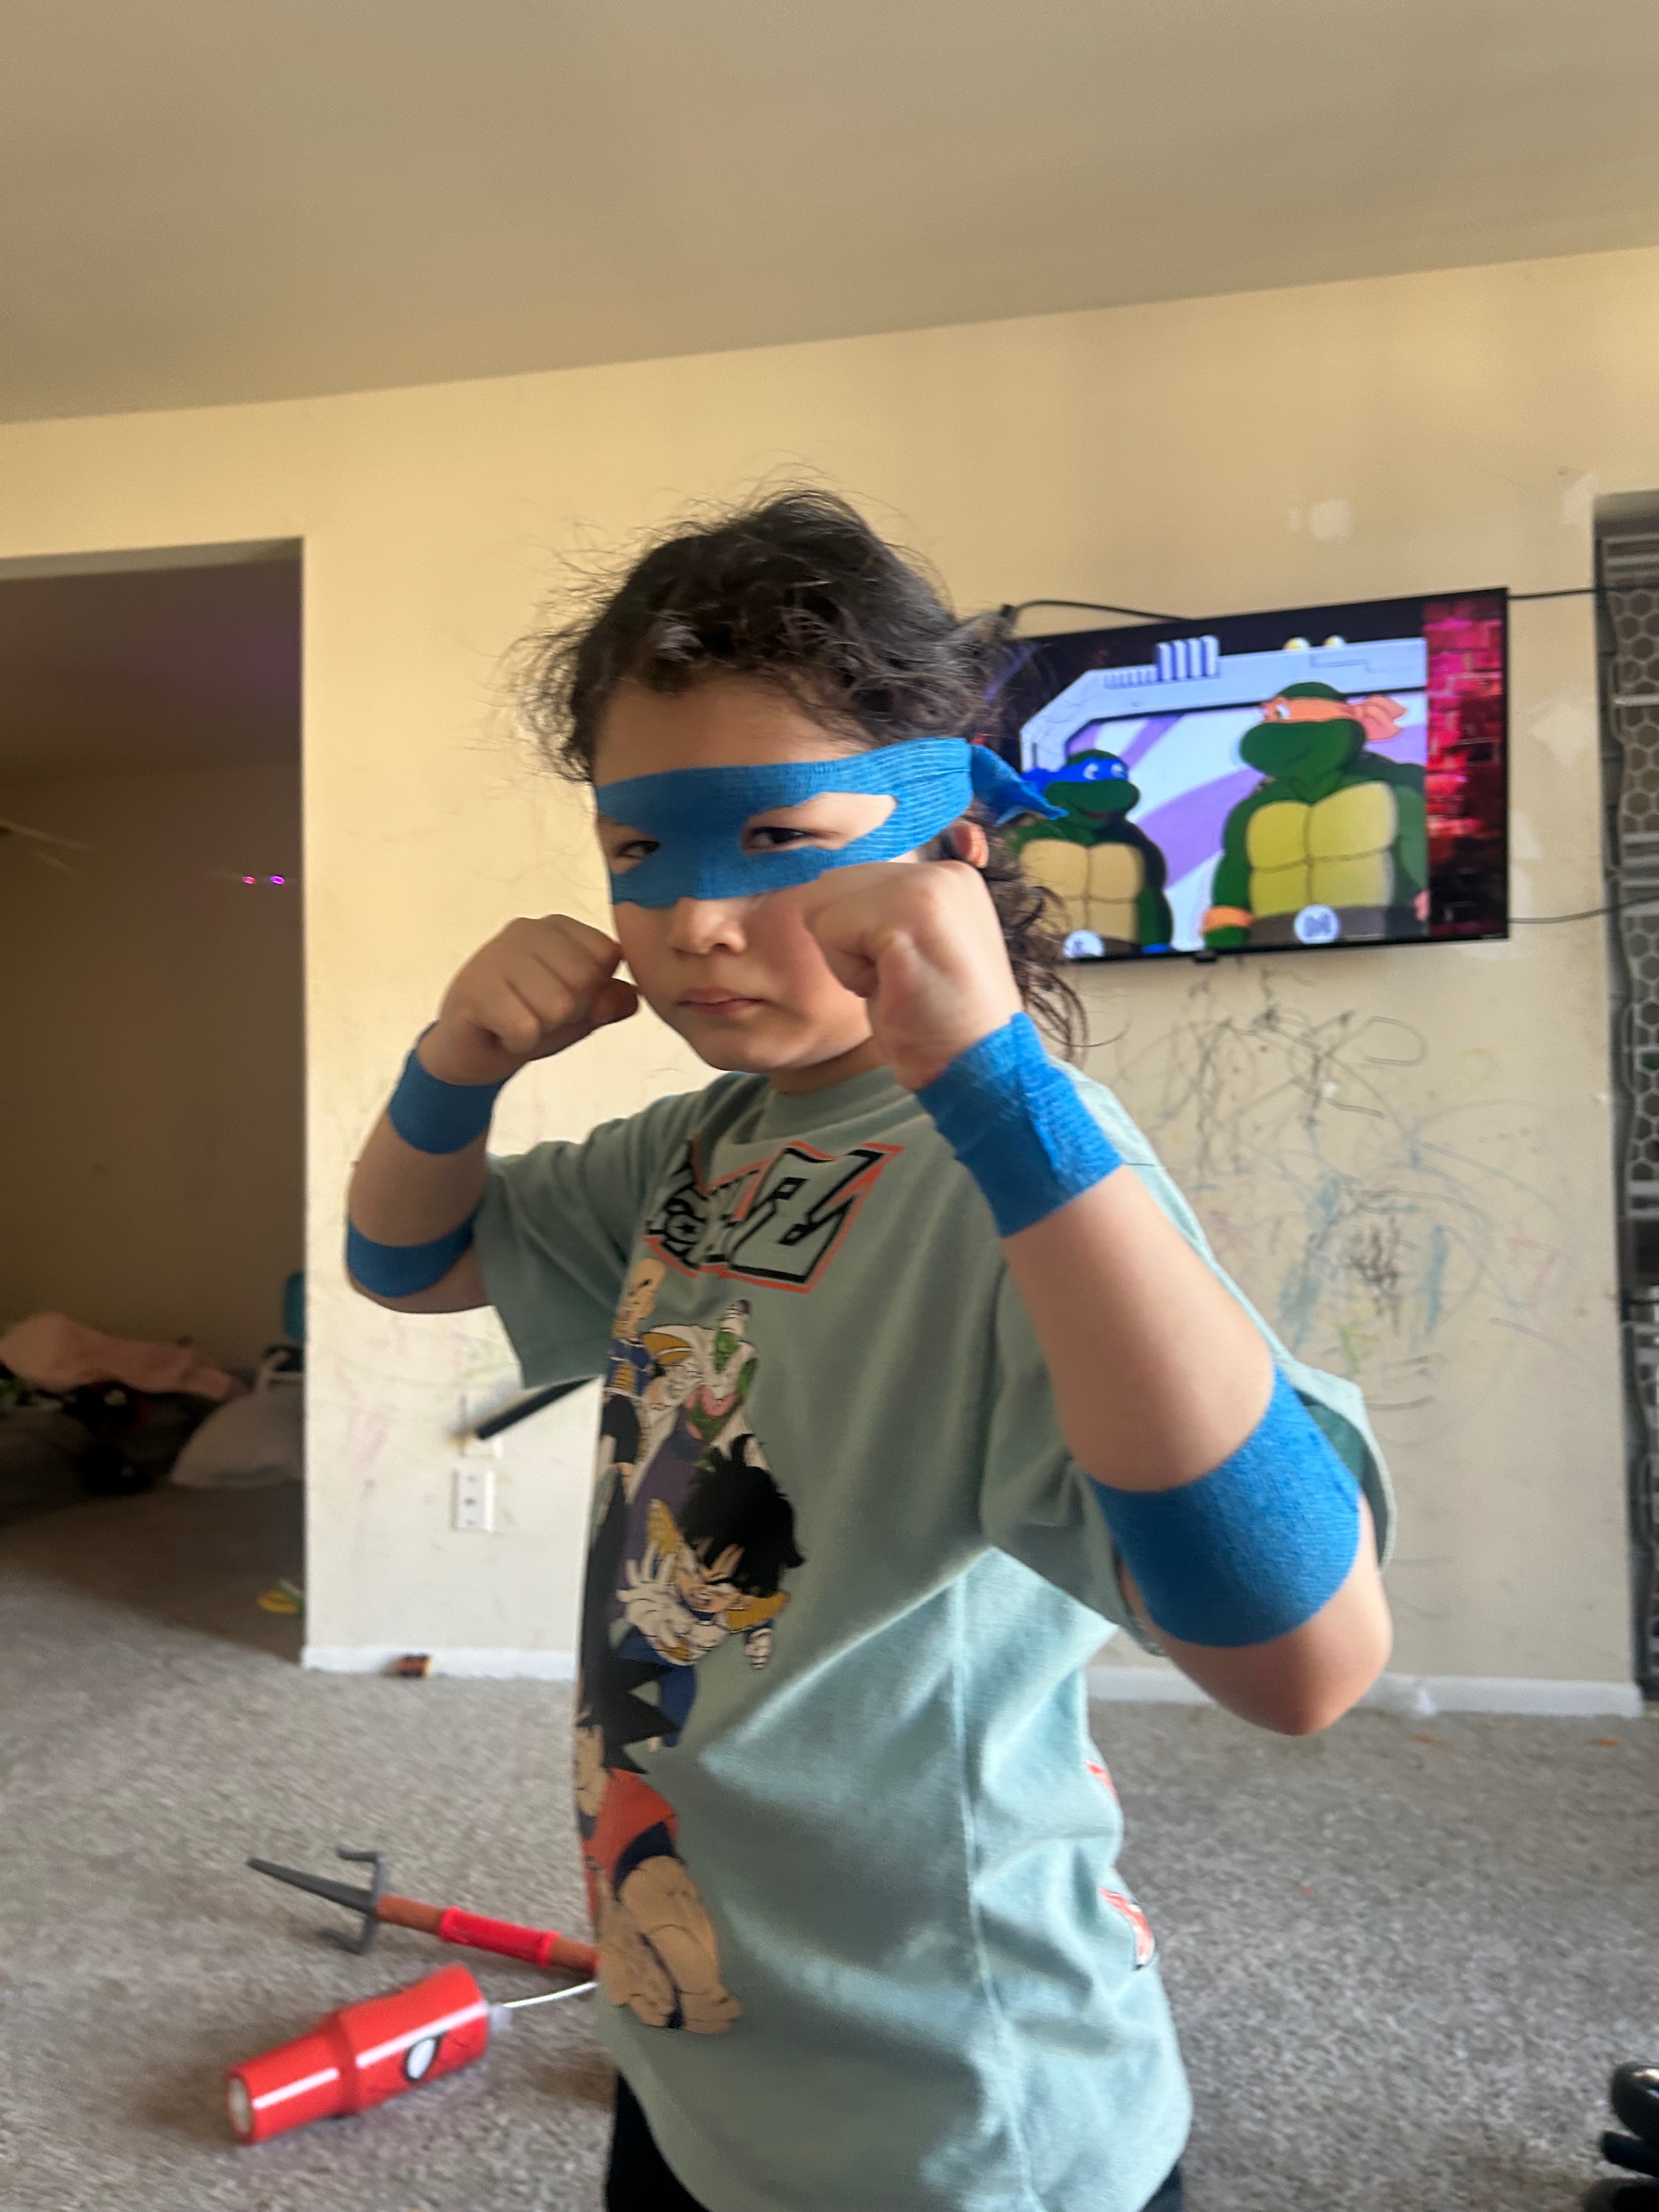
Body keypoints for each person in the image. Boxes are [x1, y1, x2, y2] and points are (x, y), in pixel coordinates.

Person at [346, 490, 1395, 2212]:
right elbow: (411, 1260)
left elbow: (1305, 1657)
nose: (693, 921)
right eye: (640, 851)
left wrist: (1001, 1093)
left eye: (776, 838)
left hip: (948, 2105)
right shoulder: (703, 1144)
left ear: (947, 849)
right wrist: (454, 1060)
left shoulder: (1026, 1174)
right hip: (697, 2024)